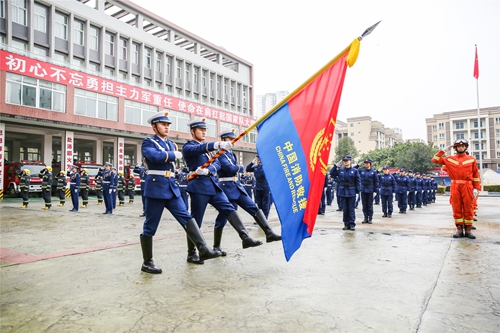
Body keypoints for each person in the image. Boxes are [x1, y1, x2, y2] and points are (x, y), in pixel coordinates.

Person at [141, 112, 220, 273]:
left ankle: (202, 249)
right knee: (150, 226)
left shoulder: (171, 144)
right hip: (156, 189)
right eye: (163, 125)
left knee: (186, 217)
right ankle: (147, 262)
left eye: (168, 125)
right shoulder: (148, 142)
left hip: (171, 187)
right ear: (154, 127)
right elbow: (152, 156)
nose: (167, 127)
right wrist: (170, 155)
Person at [183, 117, 262, 263]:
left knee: (229, 208)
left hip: (213, 185)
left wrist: (209, 171)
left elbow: (217, 163)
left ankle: (245, 237)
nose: (203, 132)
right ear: (192, 131)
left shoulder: (209, 151)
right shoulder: (189, 147)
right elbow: (198, 149)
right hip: (199, 187)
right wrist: (217, 144)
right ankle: (192, 252)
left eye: (205, 130)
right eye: (200, 130)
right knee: (196, 220)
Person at [212, 129, 281, 255]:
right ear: (223, 140)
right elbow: (229, 168)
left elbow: (233, 169)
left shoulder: (232, 154)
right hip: (226, 187)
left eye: (233, 140)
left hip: (237, 186)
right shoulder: (220, 154)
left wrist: (237, 169)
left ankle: (269, 233)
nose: (232, 143)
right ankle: (216, 246)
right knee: (222, 217)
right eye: (229, 140)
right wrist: (241, 168)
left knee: (253, 207)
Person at [432, 139, 480, 239]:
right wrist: (443, 150)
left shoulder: (471, 159)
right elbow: (435, 159)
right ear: (455, 148)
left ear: (466, 147)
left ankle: (468, 231)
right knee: (456, 207)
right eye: (458, 146)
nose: (461, 147)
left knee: (469, 207)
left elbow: (476, 174)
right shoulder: (449, 159)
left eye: (463, 146)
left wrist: (476, 188)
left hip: (467, 186)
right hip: (455, 186)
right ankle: (459, 230)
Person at [329, 156, 361, 230]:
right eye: (344, 161)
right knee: (345, 209)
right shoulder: (340, 170)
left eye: (347, 160)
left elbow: (358, 182)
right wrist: (336, 165)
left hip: (351, 191)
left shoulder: (355, 170)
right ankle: (346, 224)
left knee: (351, 209)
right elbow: (332, 173)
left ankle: (352, 224)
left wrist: (357, 192)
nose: (346, 162)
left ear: (350, 161)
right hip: (343, 191)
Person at [359, 158, 379, 224]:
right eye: (365, 163)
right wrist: (358, 165)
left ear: (370, 164)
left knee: (370, 205)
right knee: (364, 205)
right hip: (363, 189)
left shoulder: (373, 172)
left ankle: (370, 218)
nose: (366, 164)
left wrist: (375, 191)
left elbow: (376, 182)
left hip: (370, 189)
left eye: (367, 163)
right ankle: (365, 217)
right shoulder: (361, 171)